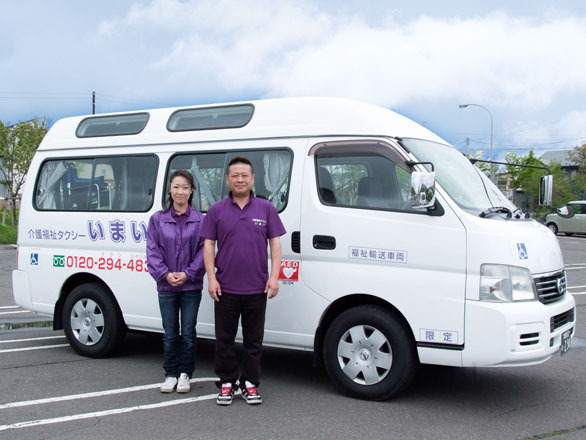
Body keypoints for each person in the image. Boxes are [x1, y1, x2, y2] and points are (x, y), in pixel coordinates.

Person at [201, 156, 286, 406]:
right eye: (235, 176)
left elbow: (275, 243)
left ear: (252, 178)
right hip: (225, 287)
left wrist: (274, 277)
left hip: (257, 287)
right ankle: (227, 382)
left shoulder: (266, 208)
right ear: (228, 179)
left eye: (244, 175)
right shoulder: (216, 210)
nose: (240, 179)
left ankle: (250, 383)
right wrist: (211, 278)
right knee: (224, 340)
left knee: (254, 341)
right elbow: (208, 245)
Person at [147, 170, 205, 393]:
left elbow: (205, 250)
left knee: (188, 332)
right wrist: (165, 274)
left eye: (185, 187)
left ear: (192, 191)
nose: (180, 192)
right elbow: (152, 250)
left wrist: (189, 274)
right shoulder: (158, 219)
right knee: (170, 333)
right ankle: (170, 373)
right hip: (166, 285)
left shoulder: (200, 219)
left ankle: (185, 374)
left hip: (191, 285)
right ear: (169, 190)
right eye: (176, 187)